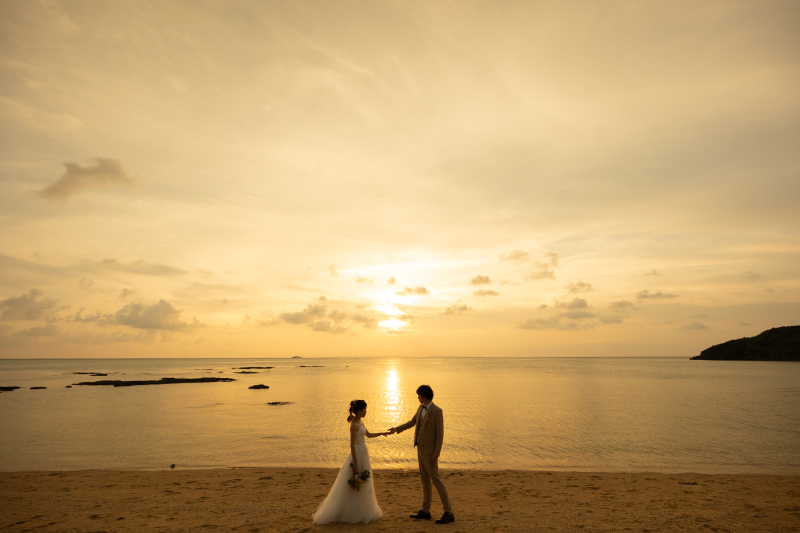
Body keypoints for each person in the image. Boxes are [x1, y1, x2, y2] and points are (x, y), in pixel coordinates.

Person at [312, 400, 389, 524]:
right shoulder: (354, 425)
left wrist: (381, 433)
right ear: (359, 410)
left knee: (364, 481)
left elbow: (368, 435)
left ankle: (362, 510)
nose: (366, 411)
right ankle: (351, 512)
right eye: (364, 409)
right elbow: (352, 445)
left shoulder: (361, 421)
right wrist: (356, 462)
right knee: (355, 482)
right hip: (357, 454)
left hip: (364, 453)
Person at [389, 385, 455, 524]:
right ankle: (426, 510)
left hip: (430, 452)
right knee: (425, 482)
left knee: (437, 482)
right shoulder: (420, 408)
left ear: (425, 395)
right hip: (420, 449)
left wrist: (436, 454)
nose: (418, 397)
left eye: (419, 395)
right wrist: (396, 429)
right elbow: (412, 422)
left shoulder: (437, 411)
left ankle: (448, 512)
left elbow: (440, 434)